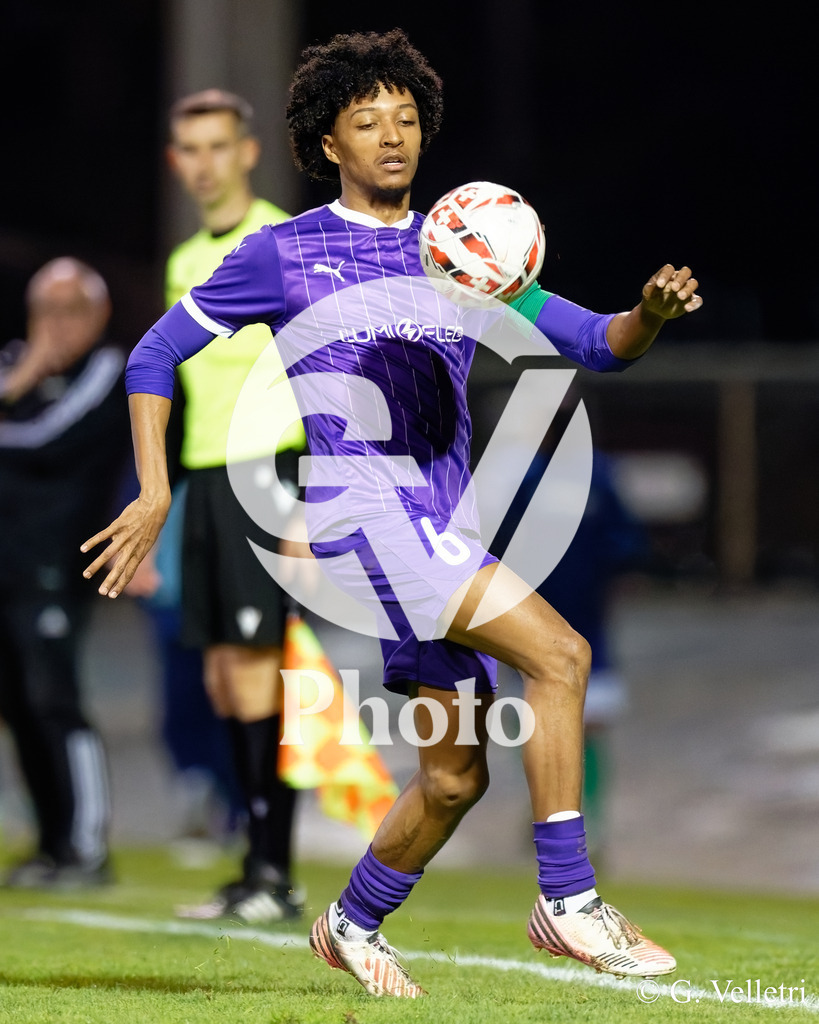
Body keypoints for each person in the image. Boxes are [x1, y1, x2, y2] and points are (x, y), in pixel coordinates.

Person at [82, 29, 703, 996]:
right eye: (367, 121)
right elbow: (152, 357)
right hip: (364, 512)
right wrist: (156, 488)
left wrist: (650, 316)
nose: (391, 136)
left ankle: (352, 918)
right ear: (328, 141)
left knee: (454, 778)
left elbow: (595, 343)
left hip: (439, 521)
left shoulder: (457, 245)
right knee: (562, 656)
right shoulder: (282, 252)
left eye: (406, 119)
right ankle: (569, 900)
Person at [141, 88, 306, 920]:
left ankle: (273, 872)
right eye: (189, 150)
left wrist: (309, 497)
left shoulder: (281, 243)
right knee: (218, 677)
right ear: (178, 162)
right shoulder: (181, 260)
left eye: (218, 146)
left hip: (264, 475)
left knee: (256, 677)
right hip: (206, 482)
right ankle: (253, 867)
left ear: (247, 151)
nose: (204, 163)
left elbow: (325, 370)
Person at [0, 257, 129, 888]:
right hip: (6, 564)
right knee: (19, 705)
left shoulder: (107, 371)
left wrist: (18, 386)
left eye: (71, 310)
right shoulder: (13, 363)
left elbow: (49, 441)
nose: (56, 326)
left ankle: (87, 848)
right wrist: (19, 378)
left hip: (55, 562)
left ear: (98, 315)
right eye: (45, 310)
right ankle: (50, 844)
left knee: (55, 700)